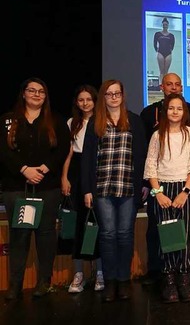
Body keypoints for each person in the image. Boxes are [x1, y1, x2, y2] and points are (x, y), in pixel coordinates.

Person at [0, 78, 71, 300]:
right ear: (23, 94)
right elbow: (3, 151)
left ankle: (44, 282)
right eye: (32, 90)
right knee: (19, 234)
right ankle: (16, 284)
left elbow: (63, 149)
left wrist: (45, 168)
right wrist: (24, 169)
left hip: (47, 187)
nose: (36, 94)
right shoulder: (7, 120)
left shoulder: (56, 121)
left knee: (46, 234)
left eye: (41, 91)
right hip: (15, 187)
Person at [81, 79, 147, 302]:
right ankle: (109, 282)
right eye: (109, 94)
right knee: (108, 235)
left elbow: (143, 156)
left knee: (125, 235)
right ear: (103, 97)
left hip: (128, 186)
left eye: (117, 93)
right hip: (102, 188)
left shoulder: (135, 121)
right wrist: (87, 190)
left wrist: (144, 184)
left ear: (122, 95)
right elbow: (87, 159)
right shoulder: (95, 123)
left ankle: (123, 280)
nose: (113, 97)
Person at [139, 72, 190, 285]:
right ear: (165, 110)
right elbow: (150, 166)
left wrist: (186, 192)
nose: (175, 111)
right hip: (162, 191)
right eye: (171, 108)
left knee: (185, 235)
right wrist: (158, 193)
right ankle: (167, 278)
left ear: (184, 111)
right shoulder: (157, 135)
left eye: (179, 108)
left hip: (184, 189)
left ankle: (184, 276)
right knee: (166, 235)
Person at [61, 84, 104, 293]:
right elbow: (68, 154)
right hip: (76, 174)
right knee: (79, 224)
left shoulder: (102, 122)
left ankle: (100, 272)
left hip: (97, 171)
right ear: (76, 103)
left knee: (98, 223)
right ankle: (78, 274)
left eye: (89, 99)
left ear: (95, 101)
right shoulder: (72, 123)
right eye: (81, 100)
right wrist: (64, 177)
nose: (85, 103)